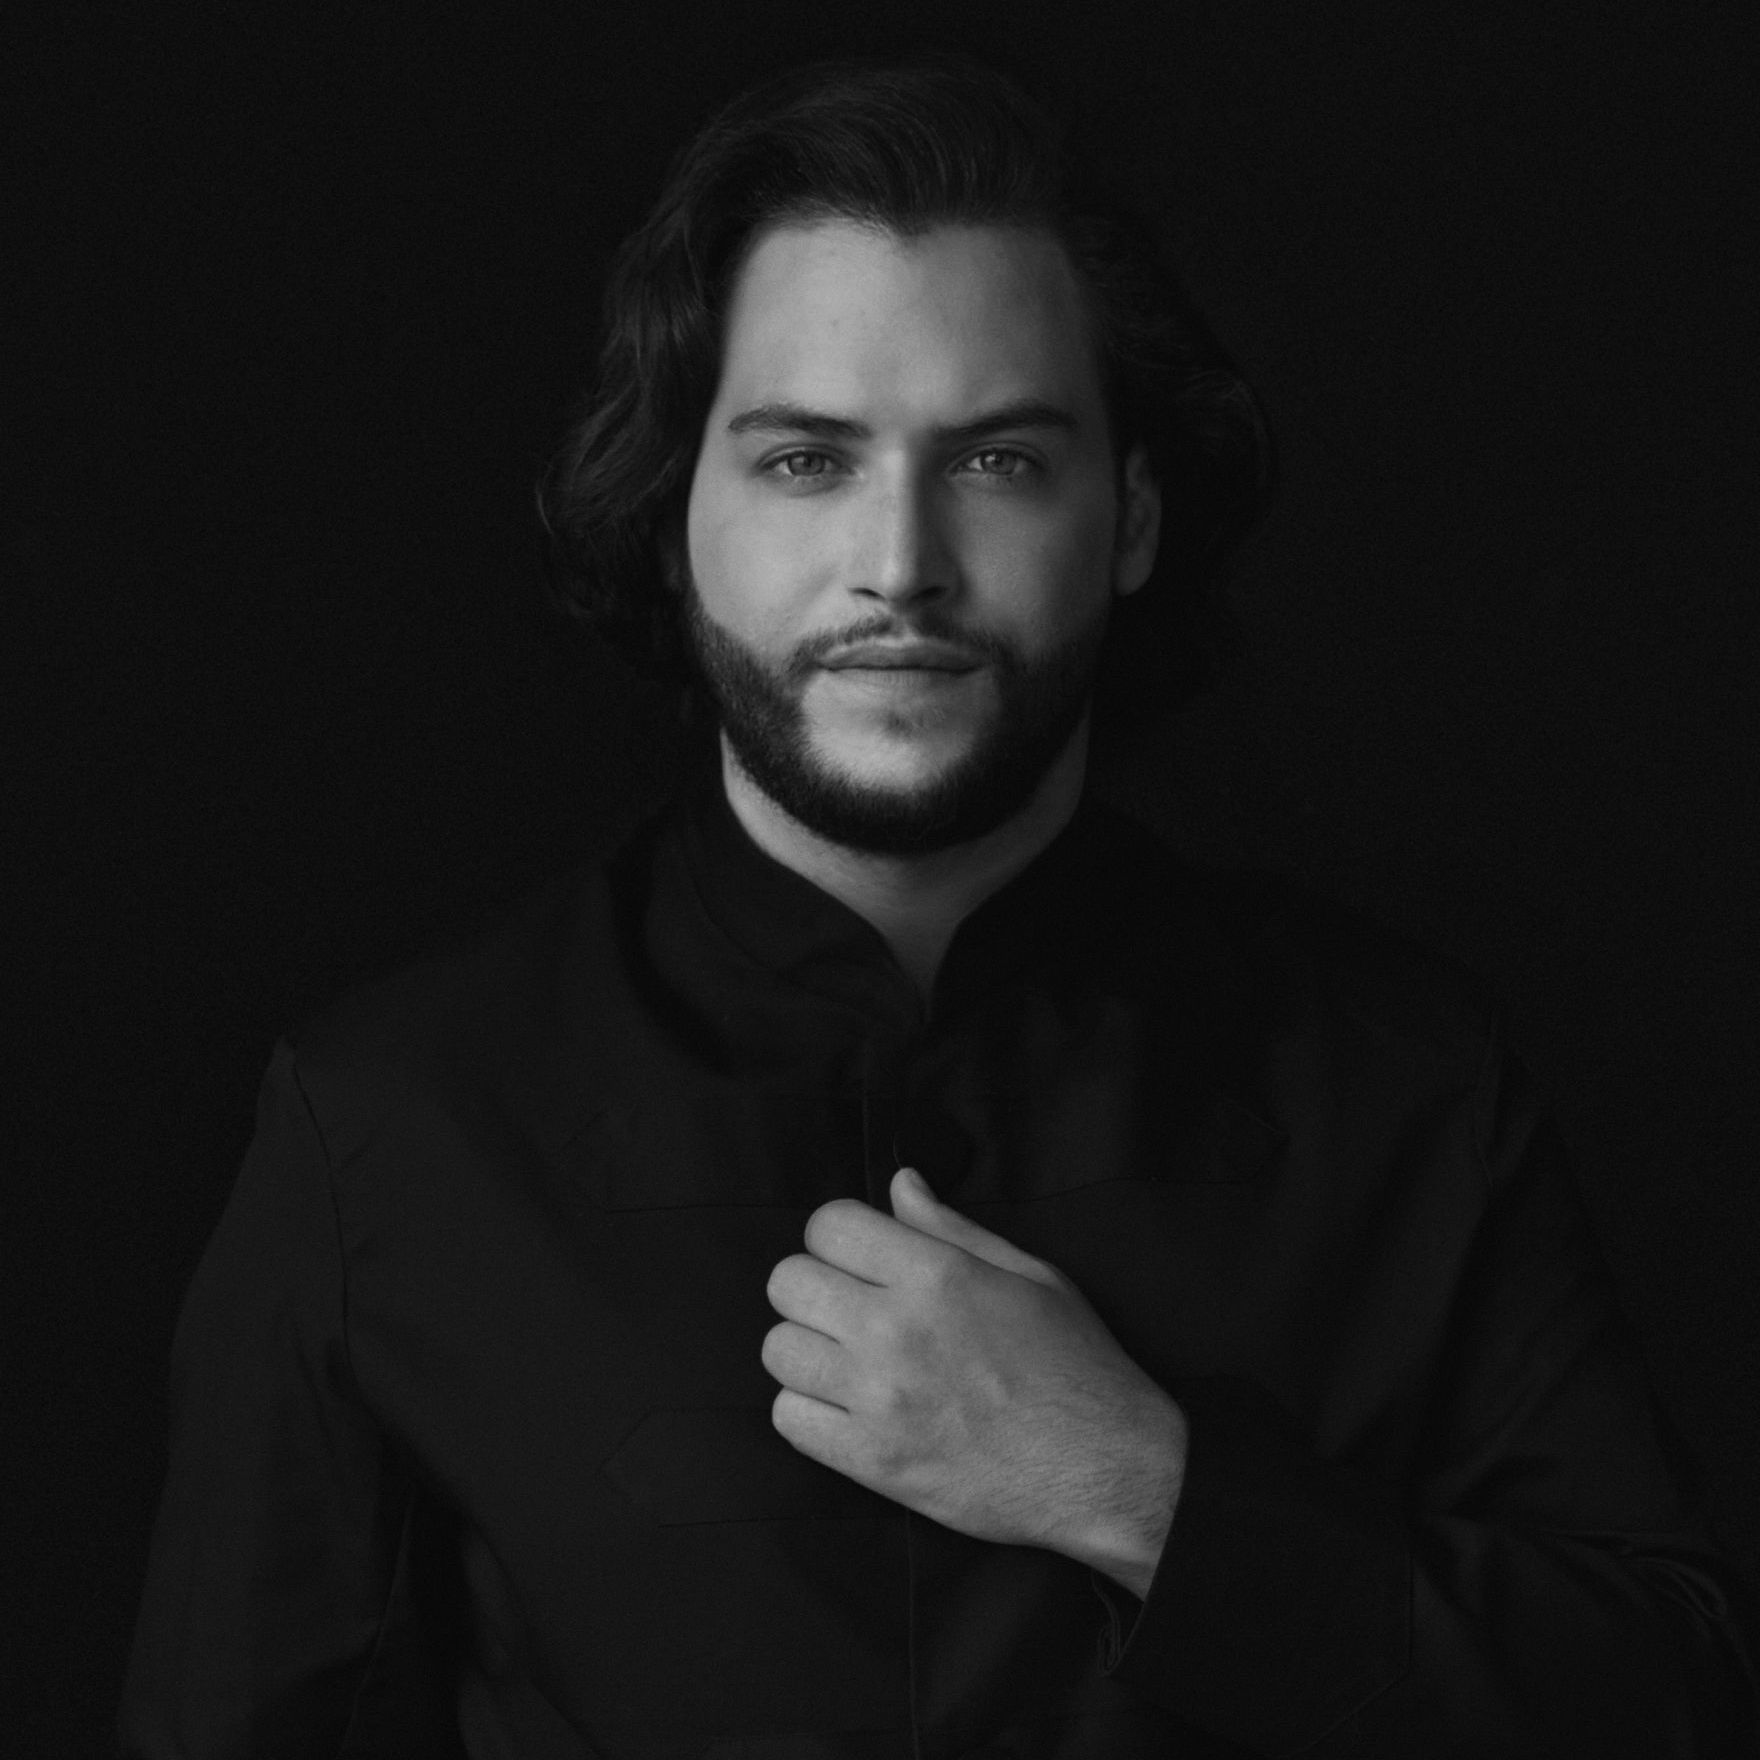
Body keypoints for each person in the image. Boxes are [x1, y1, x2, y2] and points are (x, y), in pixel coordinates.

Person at [118, 54, 1758, 1759]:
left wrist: (1140, 1489)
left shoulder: (1403, 1084)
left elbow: (1677, 1708)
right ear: (676, 522)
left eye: (996, 461)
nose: (900, 563)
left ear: (1130, 517)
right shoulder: (392, 1125)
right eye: (805, 461)